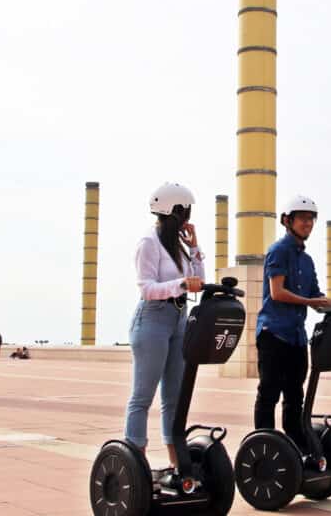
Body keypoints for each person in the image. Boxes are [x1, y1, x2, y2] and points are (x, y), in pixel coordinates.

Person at [256, 195, 331, 447]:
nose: (308, 223)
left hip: (296, 336)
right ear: (287, 220)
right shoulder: (278, 251)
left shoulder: (306, 260)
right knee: (269, 393)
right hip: (273, 333)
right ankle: (263, 445)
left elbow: (317, 297)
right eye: (302, 218)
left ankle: (295, 447)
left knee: (296, 395)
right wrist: (309, 303)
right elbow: (277, 292)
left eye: (311, 219)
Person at [123, 182, 205, 472]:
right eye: (185, 212)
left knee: (174, 398)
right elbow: (146, 288)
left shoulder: (178, 245)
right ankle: (135, 465)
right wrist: (180, 284)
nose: (188, 218)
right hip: (152, 320)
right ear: (174, 211)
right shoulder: (149, 243)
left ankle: (177, 462)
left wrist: (194, 246)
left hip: (179, 319)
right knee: (142, 397)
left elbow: (199, 279)